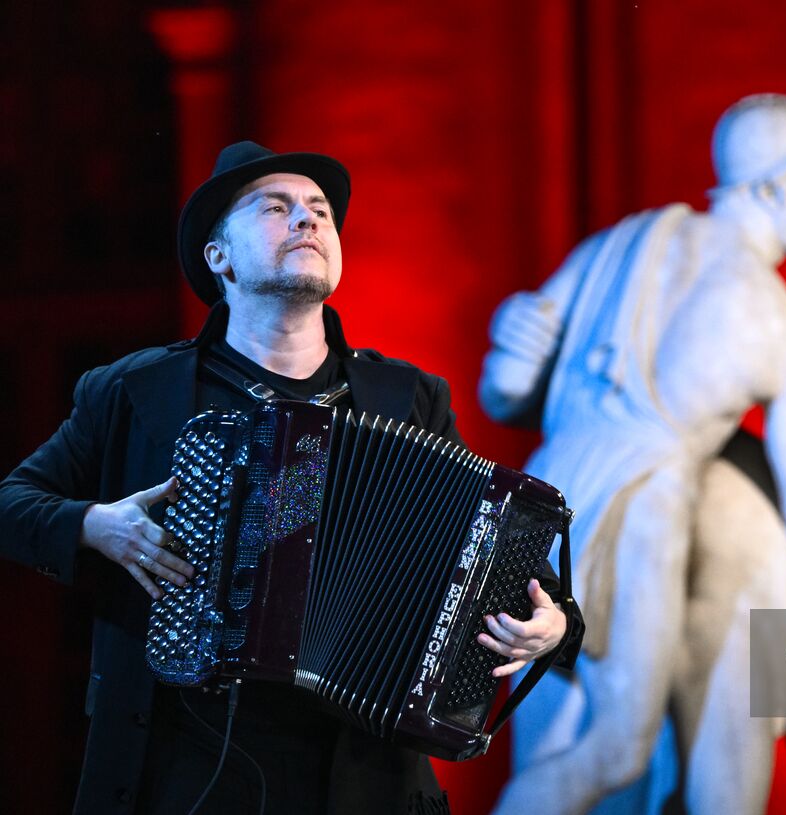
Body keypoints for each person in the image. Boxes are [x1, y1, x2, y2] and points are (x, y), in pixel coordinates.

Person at [0, 141, 581, 814]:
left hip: (367, 777)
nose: (307, 221)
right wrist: (96, 525)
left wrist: (553, 625)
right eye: (276, 208)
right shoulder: (138, 391)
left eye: (321, 212)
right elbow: (13, 504)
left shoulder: (409, 396)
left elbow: (507, 558)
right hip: (182, 773)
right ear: (219, 258)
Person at [479, 94, 786, 814]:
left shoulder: (627, 241)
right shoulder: (780, 326)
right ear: (775, 185)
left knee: (557, 736)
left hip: (542, 494)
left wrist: (513, 330)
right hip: (642, 508)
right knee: (615, 747)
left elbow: (504, 388)